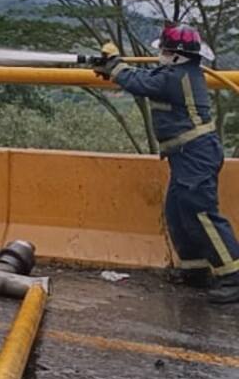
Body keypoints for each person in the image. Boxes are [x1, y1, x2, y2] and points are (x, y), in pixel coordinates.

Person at [94, 25, 239, 304]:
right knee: (177, 211)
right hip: (187, 154)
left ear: (176, 55)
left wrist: (115, 66)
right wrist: (115, 70)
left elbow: (142, 84)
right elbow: (144, 77)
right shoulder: (176, 72)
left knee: (201, 213)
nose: (160, 53)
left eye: (165, 49)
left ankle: (233, 274)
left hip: (196, 154)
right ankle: (194, 270)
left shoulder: (176, 78)